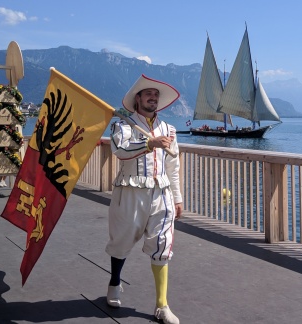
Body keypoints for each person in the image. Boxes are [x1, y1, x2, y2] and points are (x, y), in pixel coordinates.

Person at [105, 74, 182, 324]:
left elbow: (173, 167)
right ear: (137, 98)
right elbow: (119, 151)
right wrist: (150, 144)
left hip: (161, 193)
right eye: (148, 94)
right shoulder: (122, 125)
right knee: (122, 240)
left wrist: (178, 198)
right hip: (130, 191)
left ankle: (162, 305)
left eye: (156, 95)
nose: (153, 98)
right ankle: (115, 283)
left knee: (163, 243)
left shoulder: (169, 129)